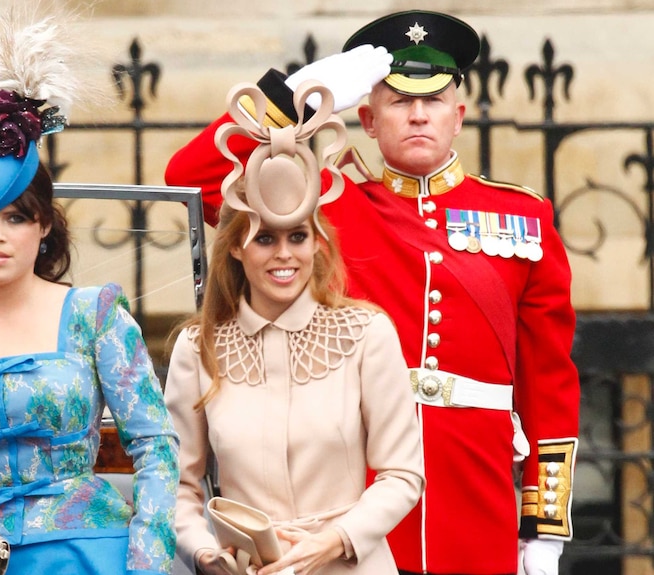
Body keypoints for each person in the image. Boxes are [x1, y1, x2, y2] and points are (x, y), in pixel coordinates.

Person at [165, 10, 580, 575]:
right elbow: (191, 177)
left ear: (458, 117)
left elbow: (549, 381)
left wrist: (543, 525)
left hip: (476, 496)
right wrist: (299, 96)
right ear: (366, 116)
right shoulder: (327, 201)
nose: (417, 115)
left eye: (432, 102)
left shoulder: (522, 215)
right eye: (399, 101)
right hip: (354, 500)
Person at [0, 10, 179, 575]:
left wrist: (147, 563)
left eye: (17, 218)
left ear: (44, 225)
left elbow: (157, 450)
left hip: (89, 555)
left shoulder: (95, 318)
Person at [164, 80, 424, 575]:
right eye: (265, 238)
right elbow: (179, 485)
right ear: (237, 248)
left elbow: (402, 474)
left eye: (298, 236)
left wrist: (332, 542)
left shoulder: (366, 333)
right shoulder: (198, 348)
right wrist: (205, 553)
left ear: (316, 242)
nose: (284, 254)